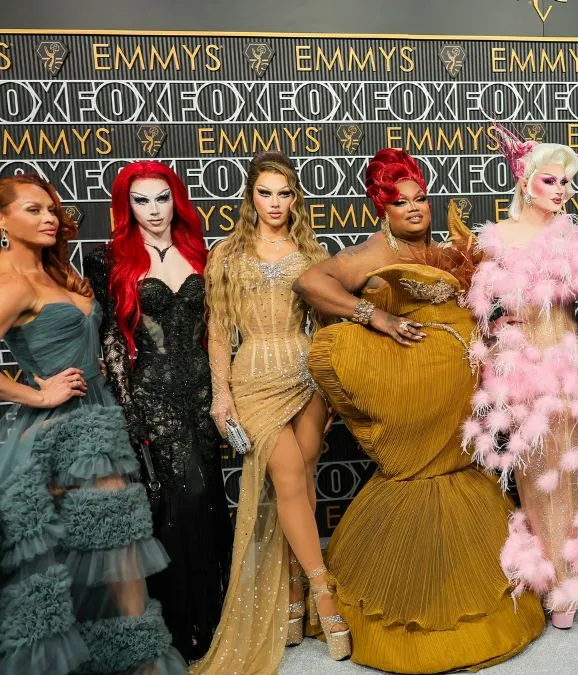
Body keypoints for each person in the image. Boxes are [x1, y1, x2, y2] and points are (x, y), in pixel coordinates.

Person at [292, 148, 544, 670]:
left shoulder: (451, 251)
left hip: (458, 401)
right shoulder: (370, 254)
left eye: (420, 198)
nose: (413, 208)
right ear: (381, 208)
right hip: (412, 398)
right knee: (418, 491)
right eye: (399, 201)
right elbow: (310, 283)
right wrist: (373, 318)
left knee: (461, 489)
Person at [0, 174, 187, 674]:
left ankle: (129, 661)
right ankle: (144, 664)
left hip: (99, 417)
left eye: (51, 211)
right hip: (59, 429)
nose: (48, 219)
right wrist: (39, 391)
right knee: (105, 549)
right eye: (33, 210)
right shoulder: (10, 281)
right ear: (2, 220)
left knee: (99, 549)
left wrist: (90, 360)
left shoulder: (56, 274)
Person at [191, 152, 344, 672]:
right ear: (250, 196)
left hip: (307, 379)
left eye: (284, 193)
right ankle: (326, 598)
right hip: (254, 381)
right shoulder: (228, 254)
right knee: (287, 479)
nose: (275, 203)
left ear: (294, 198)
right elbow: (217, 333)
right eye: (265, 192)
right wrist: (221, 395)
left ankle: (294, 604)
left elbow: (326, 327)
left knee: (301, 481)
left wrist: (329, 386)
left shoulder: (311, 252)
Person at [463, 126, 578, 631]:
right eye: (550, 180)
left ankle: (568, 580)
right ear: (525, 181)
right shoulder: (499, 237)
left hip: (569, 366)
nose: (561, 190)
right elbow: (479, 305)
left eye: (567, 183)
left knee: (567, 473)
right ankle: (547, 579)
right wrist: (495, 323)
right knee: (535, 472)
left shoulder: (572, 234)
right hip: (524, 367)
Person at [83, 161, 233, 661]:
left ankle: (214, 624)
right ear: (127, 207)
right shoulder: (111, 260)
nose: (152, 210)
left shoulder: (201, 254)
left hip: (203, 394)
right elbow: (110, 341)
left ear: (177, 201)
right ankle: (179, 626)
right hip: (151, 398)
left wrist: (225, 392)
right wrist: (130, 413)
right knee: (177, 504)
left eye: (161, 198)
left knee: (210, 499)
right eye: (141, 200)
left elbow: (219, 332)